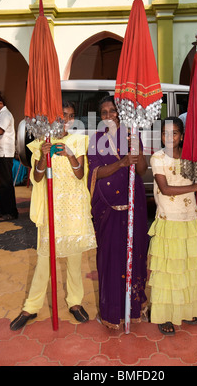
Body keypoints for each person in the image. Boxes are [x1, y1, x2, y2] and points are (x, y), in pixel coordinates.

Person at [10, 102, 97, 330]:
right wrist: (42, 156)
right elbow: (37, 179)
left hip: (74, 208)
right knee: (44, 260)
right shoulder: (40, 143)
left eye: (70, 117)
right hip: (51, 209)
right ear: (54, 120)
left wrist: (69, 155)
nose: (66, 121)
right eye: (62, 117)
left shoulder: (78, 141)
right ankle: (31, 307)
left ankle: (75, 303)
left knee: (75, 259)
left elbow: (80, 175)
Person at [148, 117, 197, 335]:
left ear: (182, 136)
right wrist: (196, 186)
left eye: (175, 133)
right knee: (168, 270)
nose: (170, 137)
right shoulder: (157, 158)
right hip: (169, 219)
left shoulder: (191, 158)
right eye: (165, 133)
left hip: (190, 218)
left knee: (189, 267)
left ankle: (188, 308)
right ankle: (165, 315)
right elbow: (165, 189)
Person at [87, 95, 149, 329]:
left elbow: (141, 170)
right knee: (109, 257)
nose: (109, 116)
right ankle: (110, 313)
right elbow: (95, 173)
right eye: (104, 112)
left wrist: (136, 148)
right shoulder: (95, 140)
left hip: (134, 204)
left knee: (134, 254)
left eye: (113, 111)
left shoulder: (132, 135)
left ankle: (133, 309)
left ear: (120, 113)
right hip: (107, 208)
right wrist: (122, 163)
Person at [0, 92, 18, 221]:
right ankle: (2, 210)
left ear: (1, 103)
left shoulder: (5, 114)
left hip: (5, 153)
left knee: (5, 184)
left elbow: (0, 131)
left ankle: (11, 212)